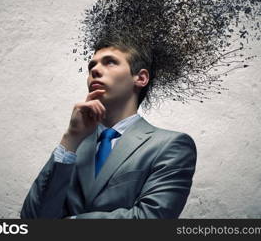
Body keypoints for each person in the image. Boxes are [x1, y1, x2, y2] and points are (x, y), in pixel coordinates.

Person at [20, 35, 197, 219]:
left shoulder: (170, 145)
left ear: (141, 78)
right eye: (92, 66)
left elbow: (152, 217)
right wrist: (70, 140)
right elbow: (32, 219)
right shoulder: (73, 148)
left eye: (110, 62)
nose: (95, 70)